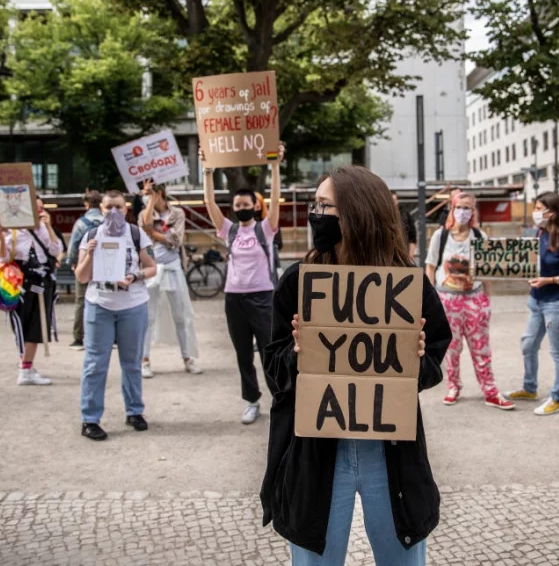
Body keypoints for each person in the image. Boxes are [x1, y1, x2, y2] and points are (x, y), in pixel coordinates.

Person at [260, 165, 452, 565]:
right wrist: (298, 352)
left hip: (391, 453)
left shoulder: (407, 284)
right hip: (317, 455)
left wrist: (415, 360)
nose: (316, 214)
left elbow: (435, 351)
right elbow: (274, 370)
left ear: (358, 213)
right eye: (316, 204)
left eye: (324, 205)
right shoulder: (298, 284)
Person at [201, 143, 284, 425]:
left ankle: (279, 399)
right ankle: (252, 400)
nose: (241, 209)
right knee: (243, 354)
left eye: (246, 205)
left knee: (268, 351)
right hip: (234, 299)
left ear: (254, 207)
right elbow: (210, 204)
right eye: (237, 206)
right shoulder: (229, 230)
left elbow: (275, 201)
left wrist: (274, 165)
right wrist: (207, 172)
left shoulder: (265, 228)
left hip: (262, 297)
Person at [75, 190, 156, 441]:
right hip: (100, 304)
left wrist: (135, 277)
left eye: (118, 207)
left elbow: (151, 267)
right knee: (95, 364)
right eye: (109, 206)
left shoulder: (135, 233)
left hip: (132, 304)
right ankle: (90, 419)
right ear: (101, 208)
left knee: (131, 362)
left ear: (126, 208)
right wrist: (89, 253)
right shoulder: (91, 234)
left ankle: (134, 411)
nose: (114, 212)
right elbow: (81, 277)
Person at [425, 193, 515, 410]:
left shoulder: (479, 236)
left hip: (474, 299)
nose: (463, 212)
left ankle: (490, 390)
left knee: (481, 348)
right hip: (447, 299)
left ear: (473, 212)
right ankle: (453, 386)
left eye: (468, 208)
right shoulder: (441, 235)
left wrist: (486, 300)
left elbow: (487, 271)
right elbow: (430, 266)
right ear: (452, 209)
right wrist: (431, 299)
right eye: (459, 207)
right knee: (452, 348)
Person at [508, 192, 559, 415]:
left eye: (540, 208)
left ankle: (557, 397)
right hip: (537, 301)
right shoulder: (541, 233)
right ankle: (529, 388)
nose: (536, 212)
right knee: (528, 345)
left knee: (558, 352)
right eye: (536, 207)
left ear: (552, 211)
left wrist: (549, 280)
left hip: (557, 304)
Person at [0, 198, 63, 385]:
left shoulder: (45, 230)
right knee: (22, 326)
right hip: (20, 284)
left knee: (37, 325)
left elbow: (56, 251)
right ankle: (25, 368)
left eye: (41, 207)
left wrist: (49, 228)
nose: (39, 211)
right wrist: (0, 238)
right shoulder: (14, 232)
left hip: (43, 282)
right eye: (35, 207)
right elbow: (2, 256)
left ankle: (26, 367)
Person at [139, 181, 200, 378]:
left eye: (152, 193)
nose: (148, 196)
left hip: (173, 267)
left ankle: (188, 357)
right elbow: (144, 228)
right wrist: (149, 202)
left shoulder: (177, 214)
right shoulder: (145, 213)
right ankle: (145, 359)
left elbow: (176, 240)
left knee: (182, 315)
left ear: (160, 193)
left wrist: (153, 234)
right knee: (147, 316)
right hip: (152, 267)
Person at [67, 190, 104, 350]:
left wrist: (73, 263)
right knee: (105, 298)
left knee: (81, 301)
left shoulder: (81, 223)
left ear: (86, 204)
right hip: (104, 266)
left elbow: (73, 245)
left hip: (85, 264)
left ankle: (78, 338)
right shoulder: (106, 221)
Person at [393, 192, 418, 258]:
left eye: (394, 200)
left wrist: (411, 254)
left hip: (403, 253)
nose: (392, 203)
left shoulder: (405, 215)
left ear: (397, 201)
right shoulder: (383, 216)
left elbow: (412, 237)